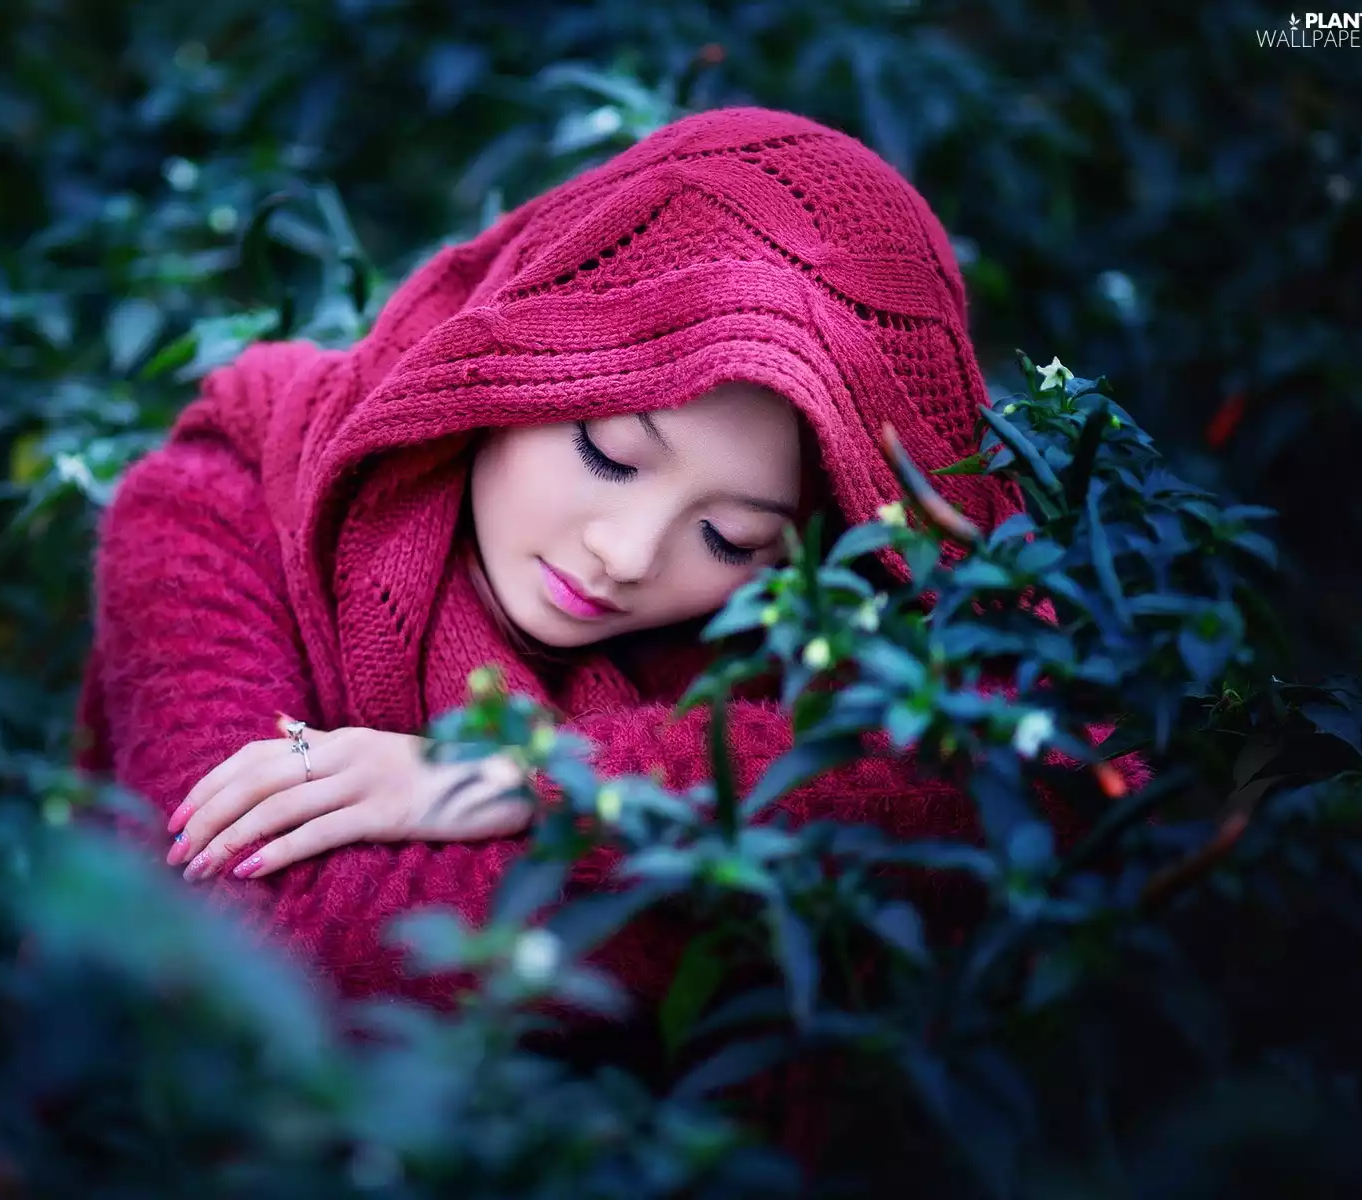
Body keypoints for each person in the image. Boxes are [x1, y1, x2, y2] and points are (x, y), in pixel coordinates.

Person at [75, 107, 1025, 1019]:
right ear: (521, 349)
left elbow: (1035, 777)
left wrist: (531, 777)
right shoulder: (219, 499)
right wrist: (735, 893)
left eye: (733, 539)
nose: (624, 554)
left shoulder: (784, 636)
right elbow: (255, 941)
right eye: (609, 450)